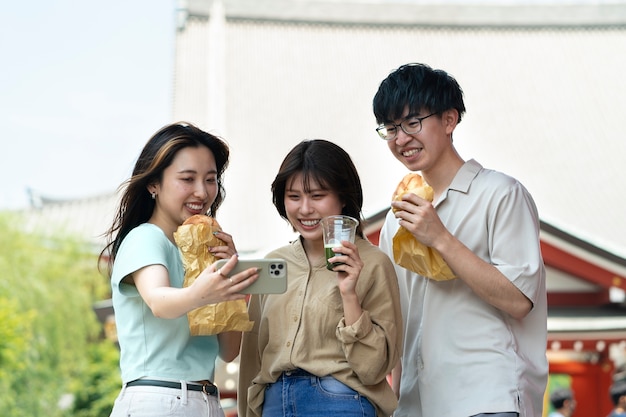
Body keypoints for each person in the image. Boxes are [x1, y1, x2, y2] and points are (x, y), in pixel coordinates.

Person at [372, 62, 548, 417]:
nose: (401, 139)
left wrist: (439, 237)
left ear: (449, 121)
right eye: (390, 128)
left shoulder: (500, 194)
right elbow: (397, 318)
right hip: (416, 404)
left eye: (412, 123)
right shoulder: (397, 216)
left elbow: (519, 301)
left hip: (486, 398)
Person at [100, 122, 260, 417]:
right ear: (153, 184)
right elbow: (160, 301)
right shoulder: (146, 237)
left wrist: (232, 282)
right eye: (188, 179)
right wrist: (204, 291)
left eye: (210, 180)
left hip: (204, 401)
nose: (202, 192)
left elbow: (229, 350)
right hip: (159, 398)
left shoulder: (203, 251)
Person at [237, 139, 403, 417]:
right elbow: (253, 356)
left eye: (317, 196)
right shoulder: (273, 264)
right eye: (293, 196)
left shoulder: (374, 264)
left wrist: (349, 294)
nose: (304, 209)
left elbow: (375, 368)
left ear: (343, 197)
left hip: (340, 402)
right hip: (274, 403)